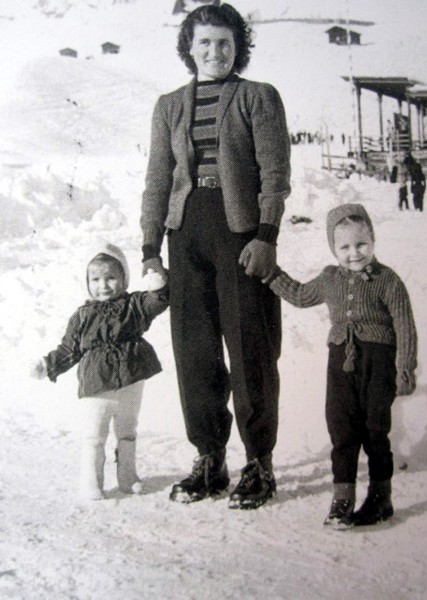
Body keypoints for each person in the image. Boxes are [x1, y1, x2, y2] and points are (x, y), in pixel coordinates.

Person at [140, 3, 291, 509]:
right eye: (204, 42)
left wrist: (266, 236)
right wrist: (150, 247)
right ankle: (210, 458)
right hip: (186, 236)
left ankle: (258, 464)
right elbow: (158, 180)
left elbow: (274, 173)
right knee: (195, 351)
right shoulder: (168, 105)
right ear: (188, 46)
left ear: (238, 47)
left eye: (224, 42)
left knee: (250, 349)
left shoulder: (258, 98)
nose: (214, 51)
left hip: (241, 235)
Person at [263, 203, 418, 529]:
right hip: (340, 363)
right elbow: (302, 295)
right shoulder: (330, 278)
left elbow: (404, 324)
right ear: (333, 248)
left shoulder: (387, 280)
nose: (354, 253)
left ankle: (380, 499)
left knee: (376, 430)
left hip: (378, 363)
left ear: (373, 240)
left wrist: (404, 368)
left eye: (361, 244)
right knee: (341, 428)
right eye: (344, 247)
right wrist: (271, 274)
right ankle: (342, 499)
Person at [30, 242, 168, 500]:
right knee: (95, 434)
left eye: (111, 278)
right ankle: (91, 482)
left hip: (131, 380)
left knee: (127, 431)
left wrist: (157, 286)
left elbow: (156, 303)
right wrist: (48, 364)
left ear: (123, 279)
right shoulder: (82, 316)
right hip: (97, 383)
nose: (103, 285)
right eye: (95, 279)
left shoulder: (133, 305)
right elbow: (69, 349)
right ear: (87, 282)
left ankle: (128, 477)